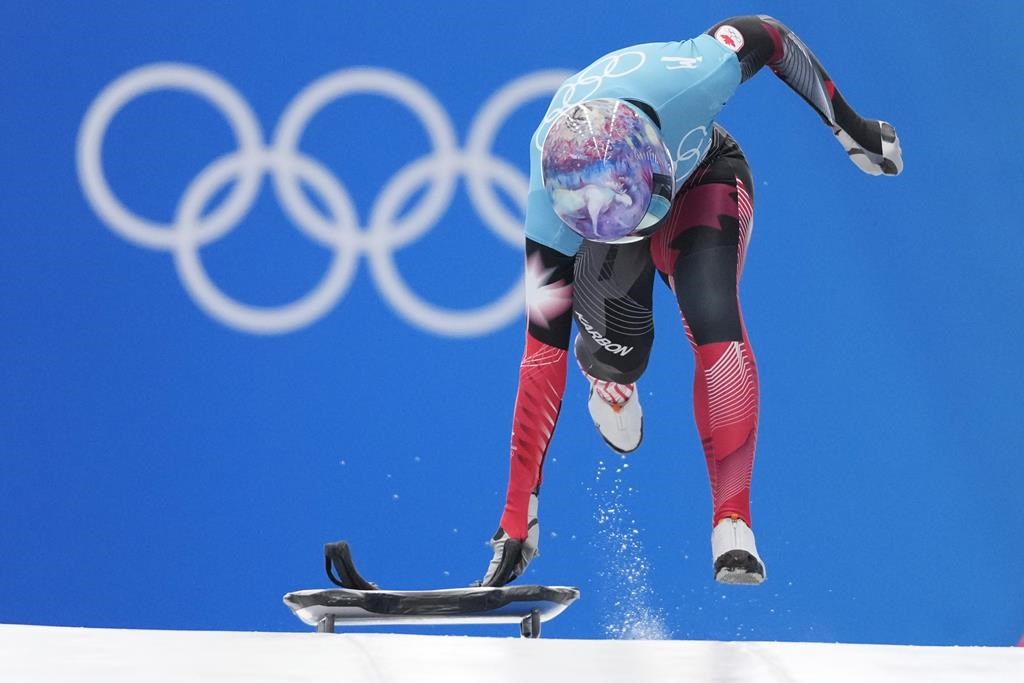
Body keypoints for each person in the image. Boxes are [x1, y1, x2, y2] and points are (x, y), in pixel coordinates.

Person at [479, 15, 903, 587]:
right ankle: (609, 370)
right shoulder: (548, 213)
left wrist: (849, 127)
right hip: (604, 228)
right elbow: (539, 359)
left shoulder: (697, 78)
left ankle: (734, 521)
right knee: (620, 352)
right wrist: (517, 516)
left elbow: (770, 35)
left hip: (703, 174)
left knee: (716, 327)